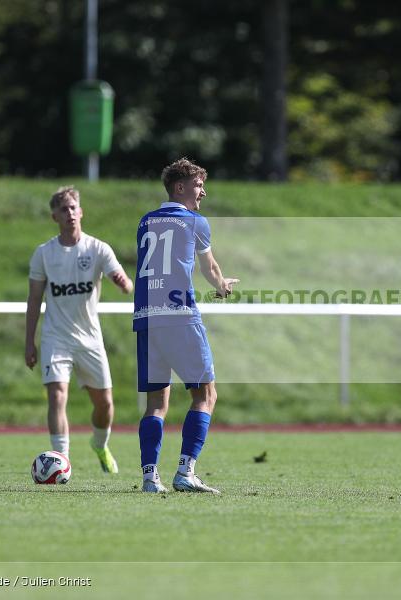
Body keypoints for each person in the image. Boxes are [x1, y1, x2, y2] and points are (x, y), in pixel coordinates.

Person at [133, 158, 238, 494]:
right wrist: (222, 286)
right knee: (206, 394)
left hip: (148, 317)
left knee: (156, 403)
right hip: (179, 316)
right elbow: (209, 267)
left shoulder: (146, 221)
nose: (202, 192)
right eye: (197, 185)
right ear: (179, 187)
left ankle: (150, 478)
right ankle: (185, 472)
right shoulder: (195, 222)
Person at [25, 186, 134, 474]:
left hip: (89, 339)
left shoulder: (98, 248)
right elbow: (34, 299)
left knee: (105, 405)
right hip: (55, 338)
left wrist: (123, 282)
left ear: (81, 212)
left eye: (73, 207)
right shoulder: (43, 254)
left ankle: (100, 444)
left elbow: (125, 282)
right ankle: (61, 462)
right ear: (54, 217)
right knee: (57, 395)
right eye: (64, 209)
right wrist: (29, 342)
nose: (70, 213)